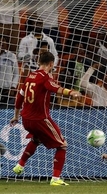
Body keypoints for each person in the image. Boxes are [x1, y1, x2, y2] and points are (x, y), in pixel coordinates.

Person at [10, 51, 81, 186]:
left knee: (36, 139)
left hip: (26, 119)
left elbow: (19, 98)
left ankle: (19, 165)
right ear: (51, 64)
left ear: (38, 62)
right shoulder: (45, 77)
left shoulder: (30, 76)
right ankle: (55, 179)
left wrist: (15, 116)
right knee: (62, 145)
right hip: (40, 119)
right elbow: (57, 89)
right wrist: (72, 92)